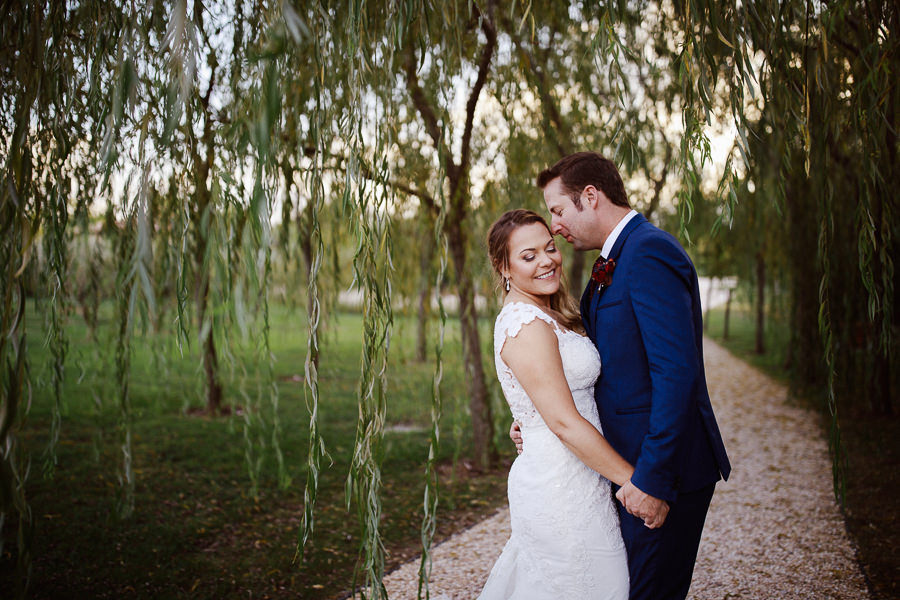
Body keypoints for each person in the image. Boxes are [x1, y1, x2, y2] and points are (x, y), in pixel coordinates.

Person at [511, 151, 731, 600]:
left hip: (660, 474)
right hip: (626, 471)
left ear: (589, 197)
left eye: (558, 210)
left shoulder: (648, 251)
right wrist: (537, 416)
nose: (555, 225)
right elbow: (604, 363)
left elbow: (676, 373)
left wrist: (651, 480)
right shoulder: (615, 259)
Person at [478, 209, 635, 599]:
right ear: (504, 267)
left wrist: (527, 422)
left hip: (581, 475)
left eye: (549, 248)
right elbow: (563, 422)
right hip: (559, 485)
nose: (546, 260)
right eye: (528, 256)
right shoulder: (525, 324)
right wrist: (634, 482)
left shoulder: (548, 312)